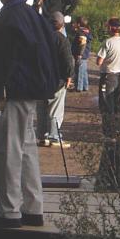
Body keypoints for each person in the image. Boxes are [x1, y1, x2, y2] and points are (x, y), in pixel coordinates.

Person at [0, 0, 60, 229]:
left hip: (12, 93)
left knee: (7, 151)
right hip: (31, 91)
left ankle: (9, 210)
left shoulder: (7, 20)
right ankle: (33, 208)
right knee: (26, 150)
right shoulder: (32, 15)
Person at [37, 11, 74, 147]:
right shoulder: (61, 39)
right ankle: (54, 137)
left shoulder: (40, 37)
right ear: (62, 25)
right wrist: (69, 75)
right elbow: (67, 60)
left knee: (41, 109)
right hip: (57, 80)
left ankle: (42, 136)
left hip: (40, 78)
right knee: (55, 109)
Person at [96, 17, 120, 139]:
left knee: (107, 104)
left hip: (108, 75)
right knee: (118, 103)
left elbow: (99, 61)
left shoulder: (107, 42)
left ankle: (109, 132)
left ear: (111, 28)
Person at [71, 17, 92, 92]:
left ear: (79, 24)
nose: (74, 24)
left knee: (79, 71)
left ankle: (78, 87)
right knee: (84, 71)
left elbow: (83, 43)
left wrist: (80, 54)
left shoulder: (81, 32)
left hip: (81, 55)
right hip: (85, 55)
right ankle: (85, 86)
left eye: (75, 23)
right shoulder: (86, 31)